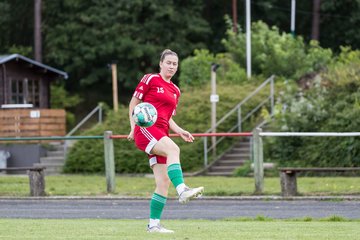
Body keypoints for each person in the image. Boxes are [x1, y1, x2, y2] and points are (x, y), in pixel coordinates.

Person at [127, 49, 204, 233]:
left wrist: (180, 130)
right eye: (168, 62)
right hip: (145, 129)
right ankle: (182, 190)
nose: (171, 66)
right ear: (161, 63)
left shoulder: (176, 90)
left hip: (162, 133)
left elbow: (167, 118)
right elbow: (133, 104)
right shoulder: (150, 79)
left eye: (174, 64)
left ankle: (153, 225)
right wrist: (132, 127)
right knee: (173, 150)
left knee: (163, 182)